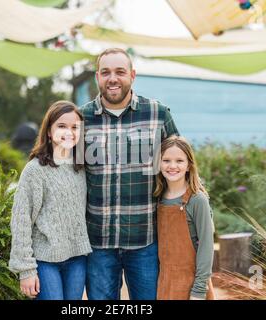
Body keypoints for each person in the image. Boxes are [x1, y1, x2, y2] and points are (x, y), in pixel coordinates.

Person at [80, 48, 179, 300]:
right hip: (98, 242)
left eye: (120, 72)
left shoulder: (158, 114)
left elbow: (181, 168)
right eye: (106, 72)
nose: (112, 78)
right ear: (97, 77)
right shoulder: (81, 119)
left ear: (132, 75)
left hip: (145, 241)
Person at [8, 101, 92, 300]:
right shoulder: (35, 170)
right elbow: (21, 219)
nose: (69, 132)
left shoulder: (81, 167)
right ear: (48, 131)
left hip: (77, 259)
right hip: (45, 261)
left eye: (74, 127)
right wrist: (26, 270)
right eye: (61, 126)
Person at [154, 135, 215, 300]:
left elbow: (206, 247)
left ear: (189, 165)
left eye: (179, 161)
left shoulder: (197, 200)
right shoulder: (157, 198)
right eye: (166, 160)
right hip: (165, 283)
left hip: (192, 286)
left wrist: (199, 290)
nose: (172, 166)